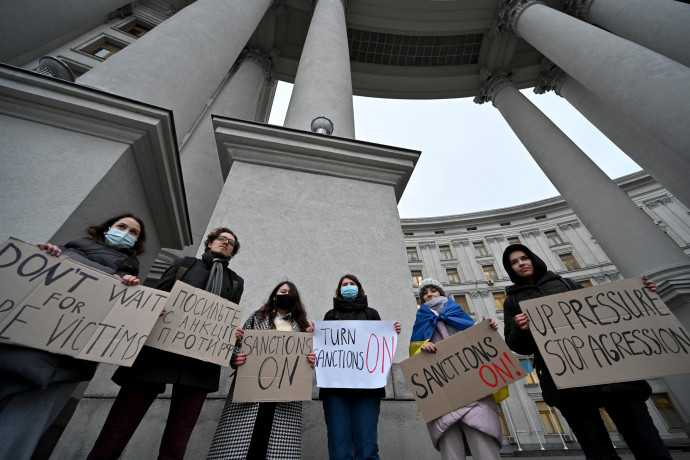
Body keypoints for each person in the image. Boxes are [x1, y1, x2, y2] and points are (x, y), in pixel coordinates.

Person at [501, 243, 672, 460]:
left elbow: (609, 315)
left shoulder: (568, 284)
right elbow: (516, 345)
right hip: (568, 386)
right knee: (597, 452)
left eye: (524, 258)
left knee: (648, 443)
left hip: (613, 377)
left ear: (533, 258)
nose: (520, 264)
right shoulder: (512, 301)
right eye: (514, 262)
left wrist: (644, 296)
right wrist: (519, 328)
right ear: (510, 269)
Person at [87, 227, 244, 460]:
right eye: (221, 239)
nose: (225, 243)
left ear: (232, 253)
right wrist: (154, 308)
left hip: (199, 366)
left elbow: (227, 317)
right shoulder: (185, 264)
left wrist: (231, 333)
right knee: (118, 428)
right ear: (209, 243)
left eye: (230, 243)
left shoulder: (235, 282)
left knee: (177, 439)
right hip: (157, 357)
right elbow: (158, 295)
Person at [0, 213, 146, 460]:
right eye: (122, 226)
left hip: (63, 367)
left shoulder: (127, 279)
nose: (126, 233)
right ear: (107, 227)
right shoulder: (61, 253)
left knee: (13, 441)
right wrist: (40, 257)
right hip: (14, 350)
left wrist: (129, 293)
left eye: (134, 232)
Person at [207, 281, 315, 460]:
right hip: (251, 391)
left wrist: (311, 359)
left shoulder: (302, 326)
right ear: (275, 295)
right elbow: (238, 344)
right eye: (282, 291)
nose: (286, 294)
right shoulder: (257, 318)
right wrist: (236, 358)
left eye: (290, 292)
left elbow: (307, 357)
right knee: (245, 445)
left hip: (284, 397)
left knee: (273, 447)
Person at [409, 278, 503, 460]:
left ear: (441, 293)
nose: (429, 294)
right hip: (443, 394)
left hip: (473, 391)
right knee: (450, 447)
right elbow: (415, 353)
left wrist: (488, 328)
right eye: (425, 293)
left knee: (482, 440)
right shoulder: (419, 322)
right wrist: (422, 350)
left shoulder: (460, 314)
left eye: (433, 291)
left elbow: (479, 340)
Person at [318, 274, 402, 460]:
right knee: (339, 447)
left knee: (367, 445)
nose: (348, 286)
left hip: (367, 389)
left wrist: (390, 332)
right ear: (339, 291)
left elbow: (380, 347)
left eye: (352, 284)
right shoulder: (330, 316)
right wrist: (313, 335)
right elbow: (324, 349)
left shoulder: (372, 314)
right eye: (344, 285)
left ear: (359, 288)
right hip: (335, 390)